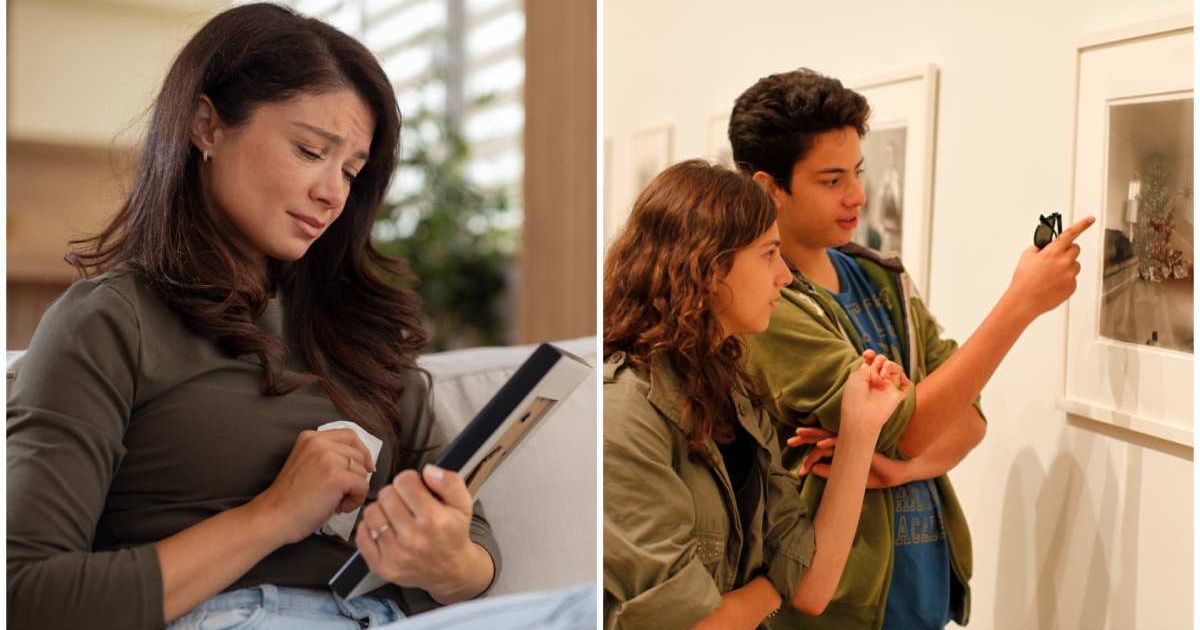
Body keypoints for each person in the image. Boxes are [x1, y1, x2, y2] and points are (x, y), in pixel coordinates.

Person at [7, 5, 587, 629]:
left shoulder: (359, 332)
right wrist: (273, 516)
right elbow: (29, 595)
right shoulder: (111, 321)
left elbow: (475, 545)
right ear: (206, 126)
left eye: (351, 171)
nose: (333, 193)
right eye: (311, 151)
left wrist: (445, 559)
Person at [727, 68, 1093, 630]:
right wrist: (1019, 304)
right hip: (833, 611)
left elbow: (968, 419)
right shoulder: (767, 306)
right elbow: (911, 424)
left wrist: (904, 467)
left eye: (857, 172)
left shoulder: (879, 277)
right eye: (831, 180)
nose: (857, 195)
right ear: (767, 187)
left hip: (920, 591)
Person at [603, 160, 912, 630]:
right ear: (706, 267)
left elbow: (812, 586)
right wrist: (775, 584)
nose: (784, 277)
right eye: (769, 254)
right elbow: (694, 625)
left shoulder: (727, 385)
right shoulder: (625, 410)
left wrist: (860, 428)